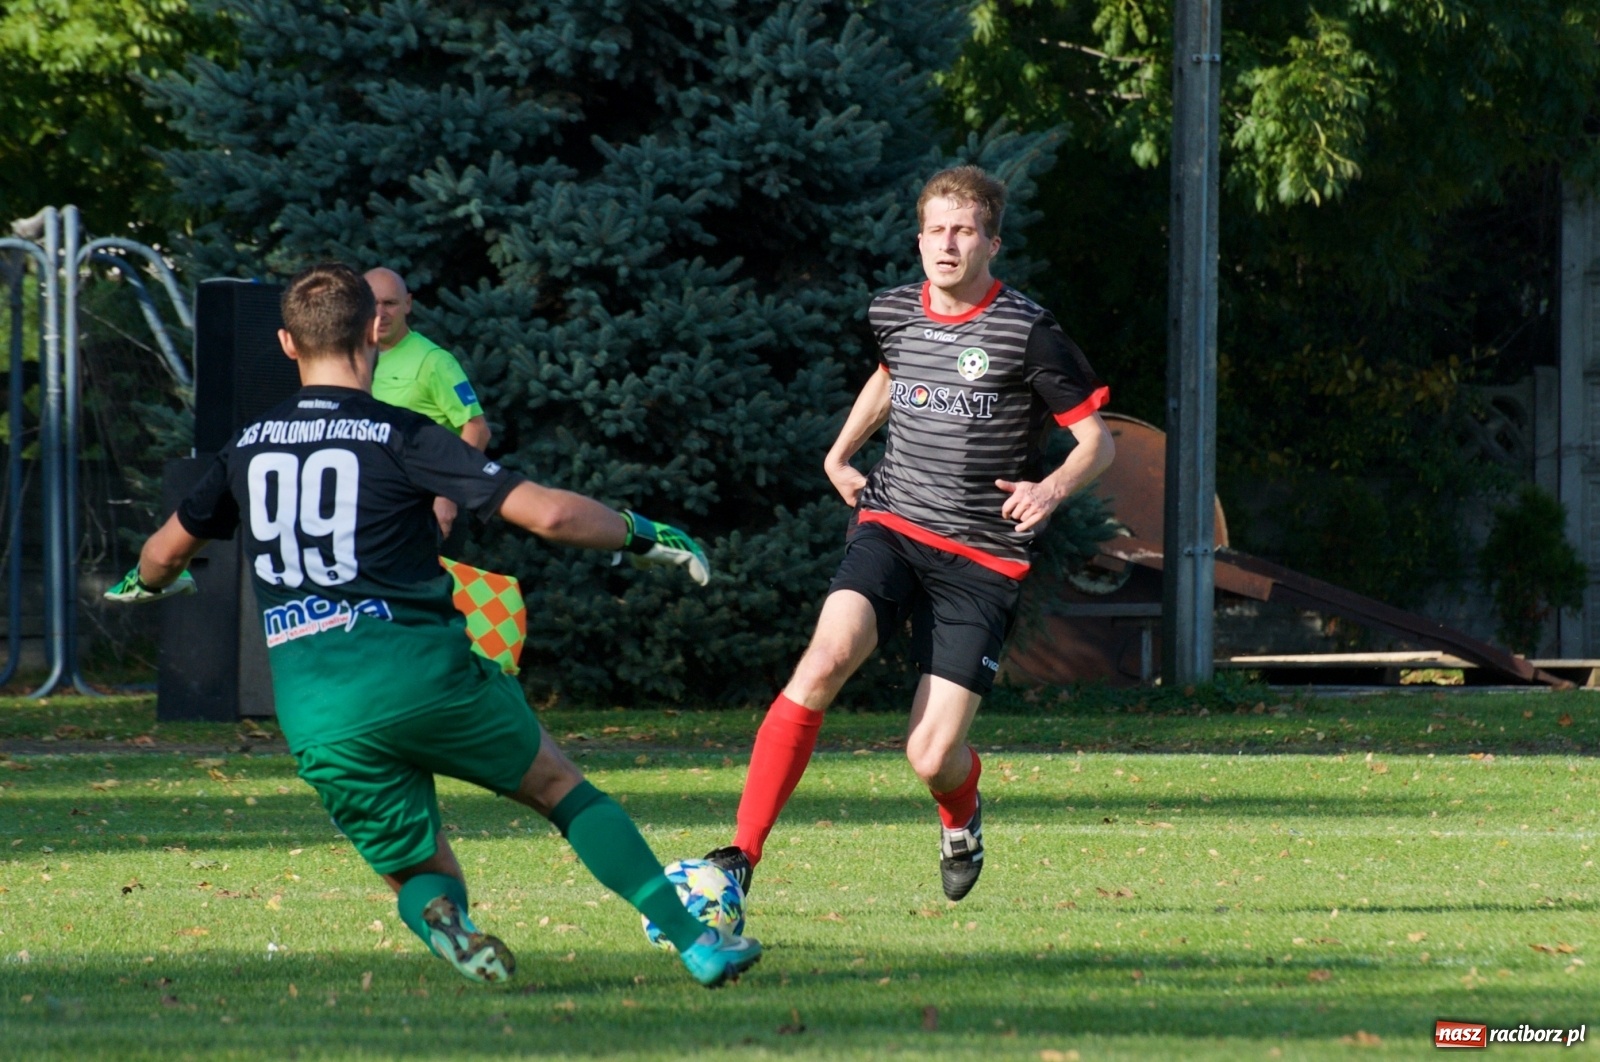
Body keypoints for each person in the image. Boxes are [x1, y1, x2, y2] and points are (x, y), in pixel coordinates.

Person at [107, 263, 760, 988]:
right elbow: (546, 513)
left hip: (318, 709)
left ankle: (448, 923)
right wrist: (644, 532)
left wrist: (153, 582)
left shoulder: (246, 448)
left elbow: (162, 555)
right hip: (423, 675)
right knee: (561, 790)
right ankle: (697, 944)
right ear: (372, 333)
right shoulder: (400, 433)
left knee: (421, 869)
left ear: (289, 344)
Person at [705, 165, 1115, 903]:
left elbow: (1098, 442)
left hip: (983, 560)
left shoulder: (1029, 331)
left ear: (993, 242)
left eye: (964, 230)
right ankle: (740, 853)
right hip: (892, 524)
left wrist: (1050, 488)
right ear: (919, 239)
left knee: (930, 755)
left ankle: (961, 816)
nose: (947, 244)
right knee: (825, 659)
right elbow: (893, 373)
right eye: (936, 230)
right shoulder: (893, 309)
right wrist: (839, 451)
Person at [364, 266, 491, 543]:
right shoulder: (353, 359)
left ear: (408, 304)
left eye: (390, 303)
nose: (380, 313)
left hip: (426, 509)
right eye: (372, 303)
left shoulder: (434, 361)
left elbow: (478, 429)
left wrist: (448, 494)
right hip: (375, 509)